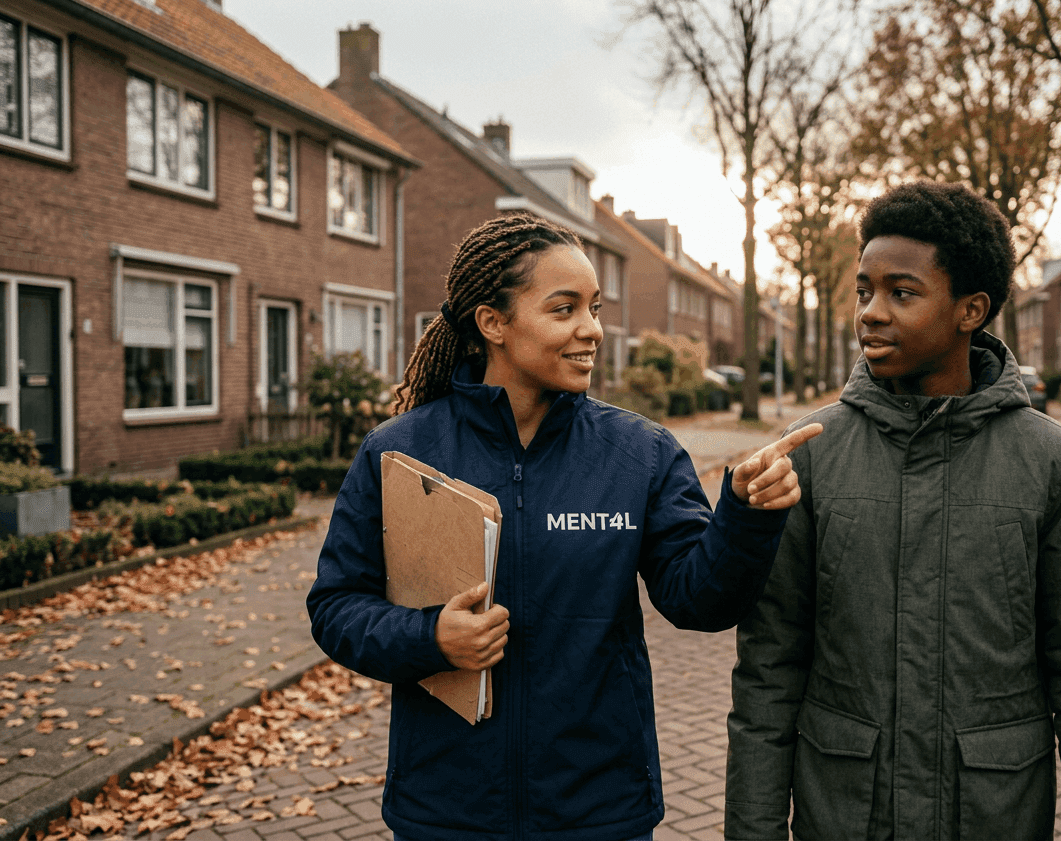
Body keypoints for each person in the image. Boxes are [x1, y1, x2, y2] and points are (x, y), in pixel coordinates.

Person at [307, 212, 821, 841]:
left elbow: (699, 601)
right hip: (447, 806)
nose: (593, 330)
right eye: (564, 309)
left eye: (595, 308)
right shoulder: (399, 454)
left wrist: (745, 515)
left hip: (599, 806)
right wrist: (430, 637)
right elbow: (335, 607)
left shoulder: (641, 454)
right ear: (493, 323)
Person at [725, 181, 1061, 840]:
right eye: (863, 290)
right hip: (844, 815)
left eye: (902, 292)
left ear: (970, 309)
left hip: (992, 815)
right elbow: (768, 672)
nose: (870, 312)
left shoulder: (1052, 462)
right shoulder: (811, 454)